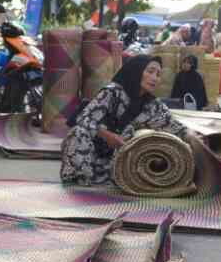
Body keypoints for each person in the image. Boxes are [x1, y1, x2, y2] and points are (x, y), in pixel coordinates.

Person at [60, 55, 192, 186]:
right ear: (136, 70)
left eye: (158, 74)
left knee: (135, 137)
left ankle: (112, 178)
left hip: (115, 162)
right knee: (78, 132)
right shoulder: (113, 93)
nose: (155, 78)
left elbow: (175, 127)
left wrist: (194, 138)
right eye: (150, 71)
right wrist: (107, 135)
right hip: (88, 154)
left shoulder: (152, 105)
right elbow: (83, 118)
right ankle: (80, 177)